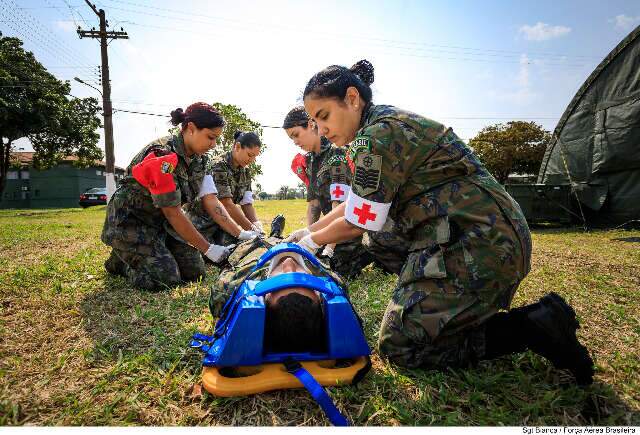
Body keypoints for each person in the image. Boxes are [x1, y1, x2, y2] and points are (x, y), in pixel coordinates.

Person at [286, 60, 594, 384]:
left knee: (401, 346)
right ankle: (448, 306)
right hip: (473, 233)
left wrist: (309, 243)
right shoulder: (379, 126)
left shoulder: (376, 136)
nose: (321, 130)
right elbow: (357, 203)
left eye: (324, 117)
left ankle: (533, 326)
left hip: (482, 243)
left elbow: (358, 221)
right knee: (379, 243)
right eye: (315, 122)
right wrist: (308, 231)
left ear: (352, 99)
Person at [101, 102, 239, 291]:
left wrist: (240, 232)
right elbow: (173, 211)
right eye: (210, 137)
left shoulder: (200, 159)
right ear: (190, 128)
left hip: (161, 225)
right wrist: (208, 248)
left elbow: (210, 198)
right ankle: (120, 261)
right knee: (165, 278)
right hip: (132, 222)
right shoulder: (161, 155)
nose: (213, 144)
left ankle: (147, 250)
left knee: (194, 273)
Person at [208, 216, 336, 352]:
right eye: (306, 282)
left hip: (259, 250)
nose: (289, 263)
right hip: (300, 250)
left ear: (262, 299)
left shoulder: (228, 291)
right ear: (319, 294)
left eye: (279, 280)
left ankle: (273, 234)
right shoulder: (326, 279)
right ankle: (277, 234)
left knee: (262, 241)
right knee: (287, 240)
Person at [282, 106, 375, 279]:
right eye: (291, 138)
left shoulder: (337, 152)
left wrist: (328, 249)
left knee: (328, 271)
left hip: (342, 234)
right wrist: (306, 232)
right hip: (325, 232)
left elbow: (338, 204)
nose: (295, 141)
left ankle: (371, 252)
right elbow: (314, 205)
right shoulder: (309, 160)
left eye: (296, 135)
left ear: (310, 125)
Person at [186, 131, 263, 247]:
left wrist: (256, 225)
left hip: (225, 224)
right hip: (203, 225)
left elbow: (246, 203)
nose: (251, 160)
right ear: (237, 147)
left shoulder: (245, 171)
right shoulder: (218, 166)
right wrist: (251, 228)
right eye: (249, 155)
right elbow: (226, 203)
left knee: (244, 248)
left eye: (255, 157)